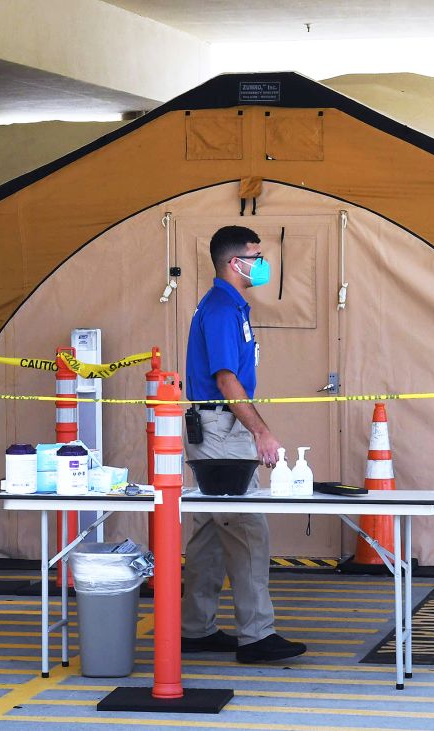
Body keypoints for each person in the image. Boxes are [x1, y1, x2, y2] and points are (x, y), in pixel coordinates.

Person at [181, 225, 307, 664]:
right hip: (221, 430)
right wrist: (260, 430)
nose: (261, 262)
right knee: (247, 527)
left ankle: (195, 629)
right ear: (235, 263)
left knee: (210, 532)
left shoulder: (234, 307)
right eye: (256, 255)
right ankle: (257, 636)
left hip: (217, 427)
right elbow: (226, 377)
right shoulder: (219, 308)